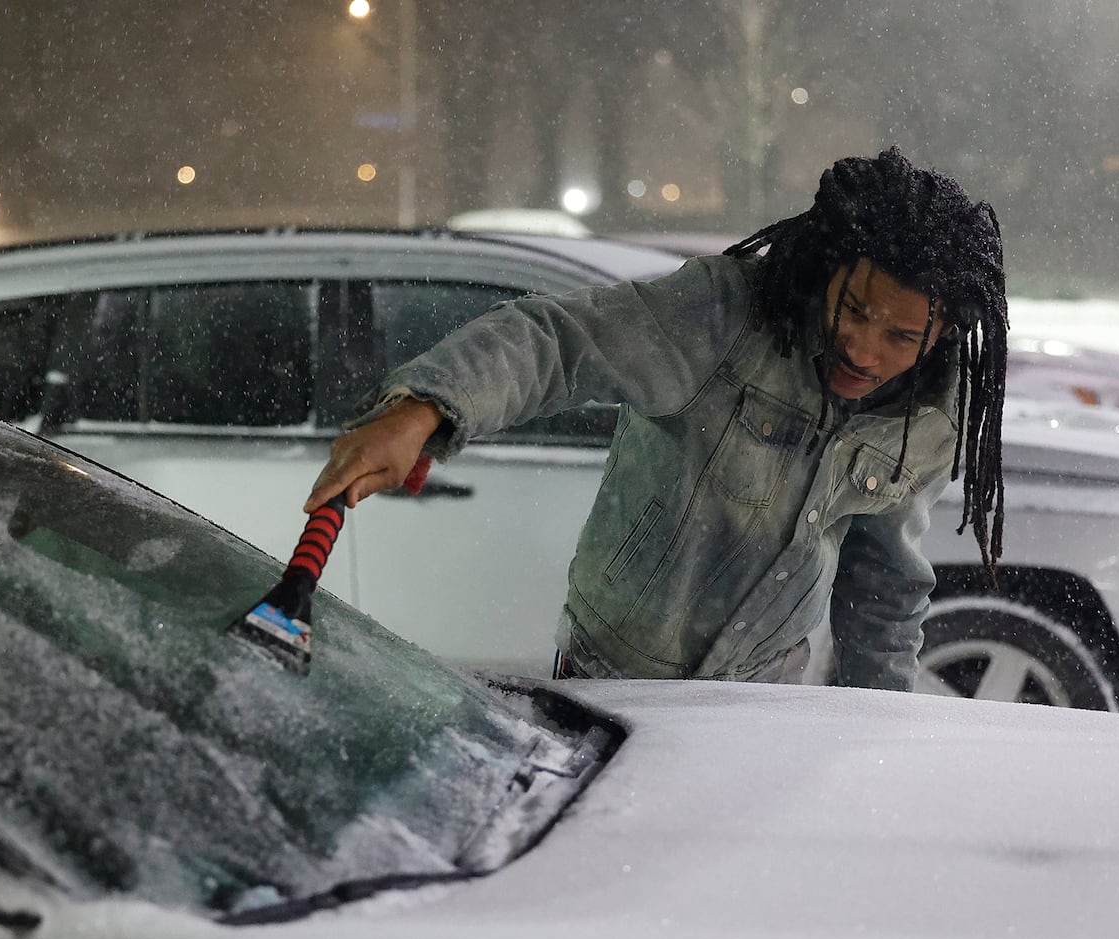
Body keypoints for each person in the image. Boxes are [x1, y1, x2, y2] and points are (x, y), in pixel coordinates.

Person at [304, 147, 1008, 689]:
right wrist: (424, 409)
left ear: (943, 332)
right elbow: (557, 341)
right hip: (616, 679)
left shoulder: (930, 417)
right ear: (828, 270)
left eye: (900, 337)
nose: (863, 346)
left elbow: (883, 587)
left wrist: (873, 739)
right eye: (853, 310)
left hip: (764, 698)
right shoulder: (725, 317)